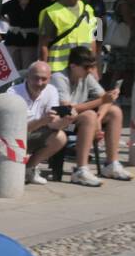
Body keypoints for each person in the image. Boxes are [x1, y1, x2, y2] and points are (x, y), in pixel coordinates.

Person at [51, 45, 130, 182]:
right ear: (73, 66)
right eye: (87, 67)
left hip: (79, 117)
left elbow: (105, 99)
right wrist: (101, 102)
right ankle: (81, 169)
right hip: (62, 121)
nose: (90, 71)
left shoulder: (86, 77)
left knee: (114, 112)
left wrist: (99, 119)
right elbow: (67, 109)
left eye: (92, 67)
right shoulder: (59, 78)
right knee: (89, 116)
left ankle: (111, 163)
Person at [9, 62, 69, 185]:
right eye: (36, 78)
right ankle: (14, 170)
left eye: (44, 79)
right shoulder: (13, 92)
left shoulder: (51, 90)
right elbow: (18, 129)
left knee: (60, 137)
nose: (39, 83)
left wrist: (65, 121)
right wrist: (43, 120)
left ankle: (29, 169)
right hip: (13, 137)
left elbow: (52, 123)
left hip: (34, 133)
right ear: (27, 77)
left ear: (50, 79)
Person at [38, 0, 98, 74]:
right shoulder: (51, 12)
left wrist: (94, 68)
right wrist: (45, 72)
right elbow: (43, 45)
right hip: (59, 71)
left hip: (84, 69)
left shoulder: (89, 9)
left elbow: (92, 40)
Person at [107, 0, 135, 98]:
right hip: (123, 45)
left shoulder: (134, 4)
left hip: (131, 44)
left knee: (131, 71)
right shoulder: (123, 4)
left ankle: (127, 95)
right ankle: (113, 96)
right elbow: (131, 22)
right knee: (119, 71)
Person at [0, 0, 42, 73]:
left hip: (30, 41)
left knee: (27, 72)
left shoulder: (40, 2)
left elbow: (52, 11)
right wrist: (7, 21)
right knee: (13, 72)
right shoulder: (12, 3)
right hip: (12, 40)